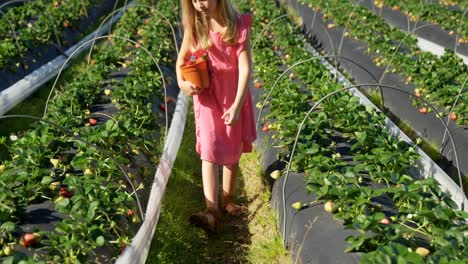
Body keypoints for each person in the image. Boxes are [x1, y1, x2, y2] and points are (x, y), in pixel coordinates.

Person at [176, 0, 256, 233]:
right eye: (193, 0)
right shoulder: (196, 26)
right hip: (208, 98)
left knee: (232, 151)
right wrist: (183, 84)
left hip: (232, 96)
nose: (199, 4)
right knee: (209, 152)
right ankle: (211, 211)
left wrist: (238, 104)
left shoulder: (237, 25)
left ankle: (228, 199)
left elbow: (245, 68)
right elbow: (181, 62)